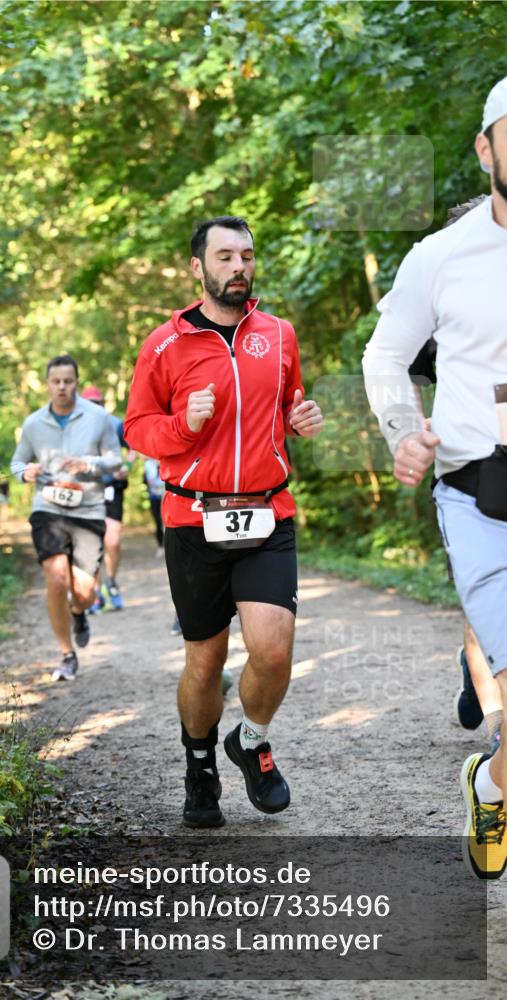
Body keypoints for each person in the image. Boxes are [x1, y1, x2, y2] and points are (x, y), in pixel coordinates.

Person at [124, 215, 323, 828]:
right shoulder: (165, 344)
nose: (239, 266)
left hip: (267, 511)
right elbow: (136, 428)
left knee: (273, 648)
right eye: (225, 256)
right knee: (205, 661)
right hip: (193, 518)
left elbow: (282, 408)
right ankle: (201, 765)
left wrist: (298, 419)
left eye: (247, 256)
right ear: (198, 268)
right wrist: (183, 425)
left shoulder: (278, 334)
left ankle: (253, 741)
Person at [363, 78, 507, 880]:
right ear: (485, 149)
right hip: (481, 495)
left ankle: (490, 781)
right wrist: (401, 432)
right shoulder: (441, 256)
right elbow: (385, 356)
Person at [407, 197, 503, 754]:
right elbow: (405, 372)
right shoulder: (436, 304)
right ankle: (498, 730)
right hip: (468, 471)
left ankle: (479, 673)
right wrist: (411, 426)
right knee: (477, 598)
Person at [10, 354, 121, 681]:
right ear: (47, 384)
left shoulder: (98, 417)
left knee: (85, 592)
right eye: (56, 382)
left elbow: (115, 460)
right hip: (48, 508)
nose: (62, 387)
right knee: (56, 578)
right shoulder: (33, 424)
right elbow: (16, 463)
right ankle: (66, 654)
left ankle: (79, 612)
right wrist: (25, 472)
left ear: (76, 381)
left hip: (88, 508)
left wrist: (90, 463)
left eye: (68, 381)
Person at [81, 385, 136, 611]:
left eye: (99, 403)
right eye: (91, 404)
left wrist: (127, 466)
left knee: (112, 541)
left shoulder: (115, 423)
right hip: (87, 491)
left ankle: (111, 583)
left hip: (113, 488)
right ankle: (95, 592)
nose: (95, 408)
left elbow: (134, 447)